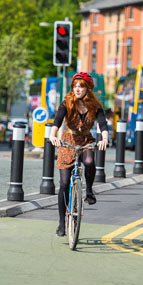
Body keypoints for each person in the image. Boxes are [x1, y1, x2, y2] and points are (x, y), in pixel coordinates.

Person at [49, 72, 109, 237]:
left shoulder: (95, 106)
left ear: (87, 89)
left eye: (81, 86)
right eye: (75, 86)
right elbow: (57, 121)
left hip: (85, 141)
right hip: (67, 141)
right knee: (63, 183)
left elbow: (103, 125)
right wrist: (52, 135)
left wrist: (104, 139)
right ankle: (62, 223)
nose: (77, 89)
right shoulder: (67, 103)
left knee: (89, 161)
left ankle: (89, 190)